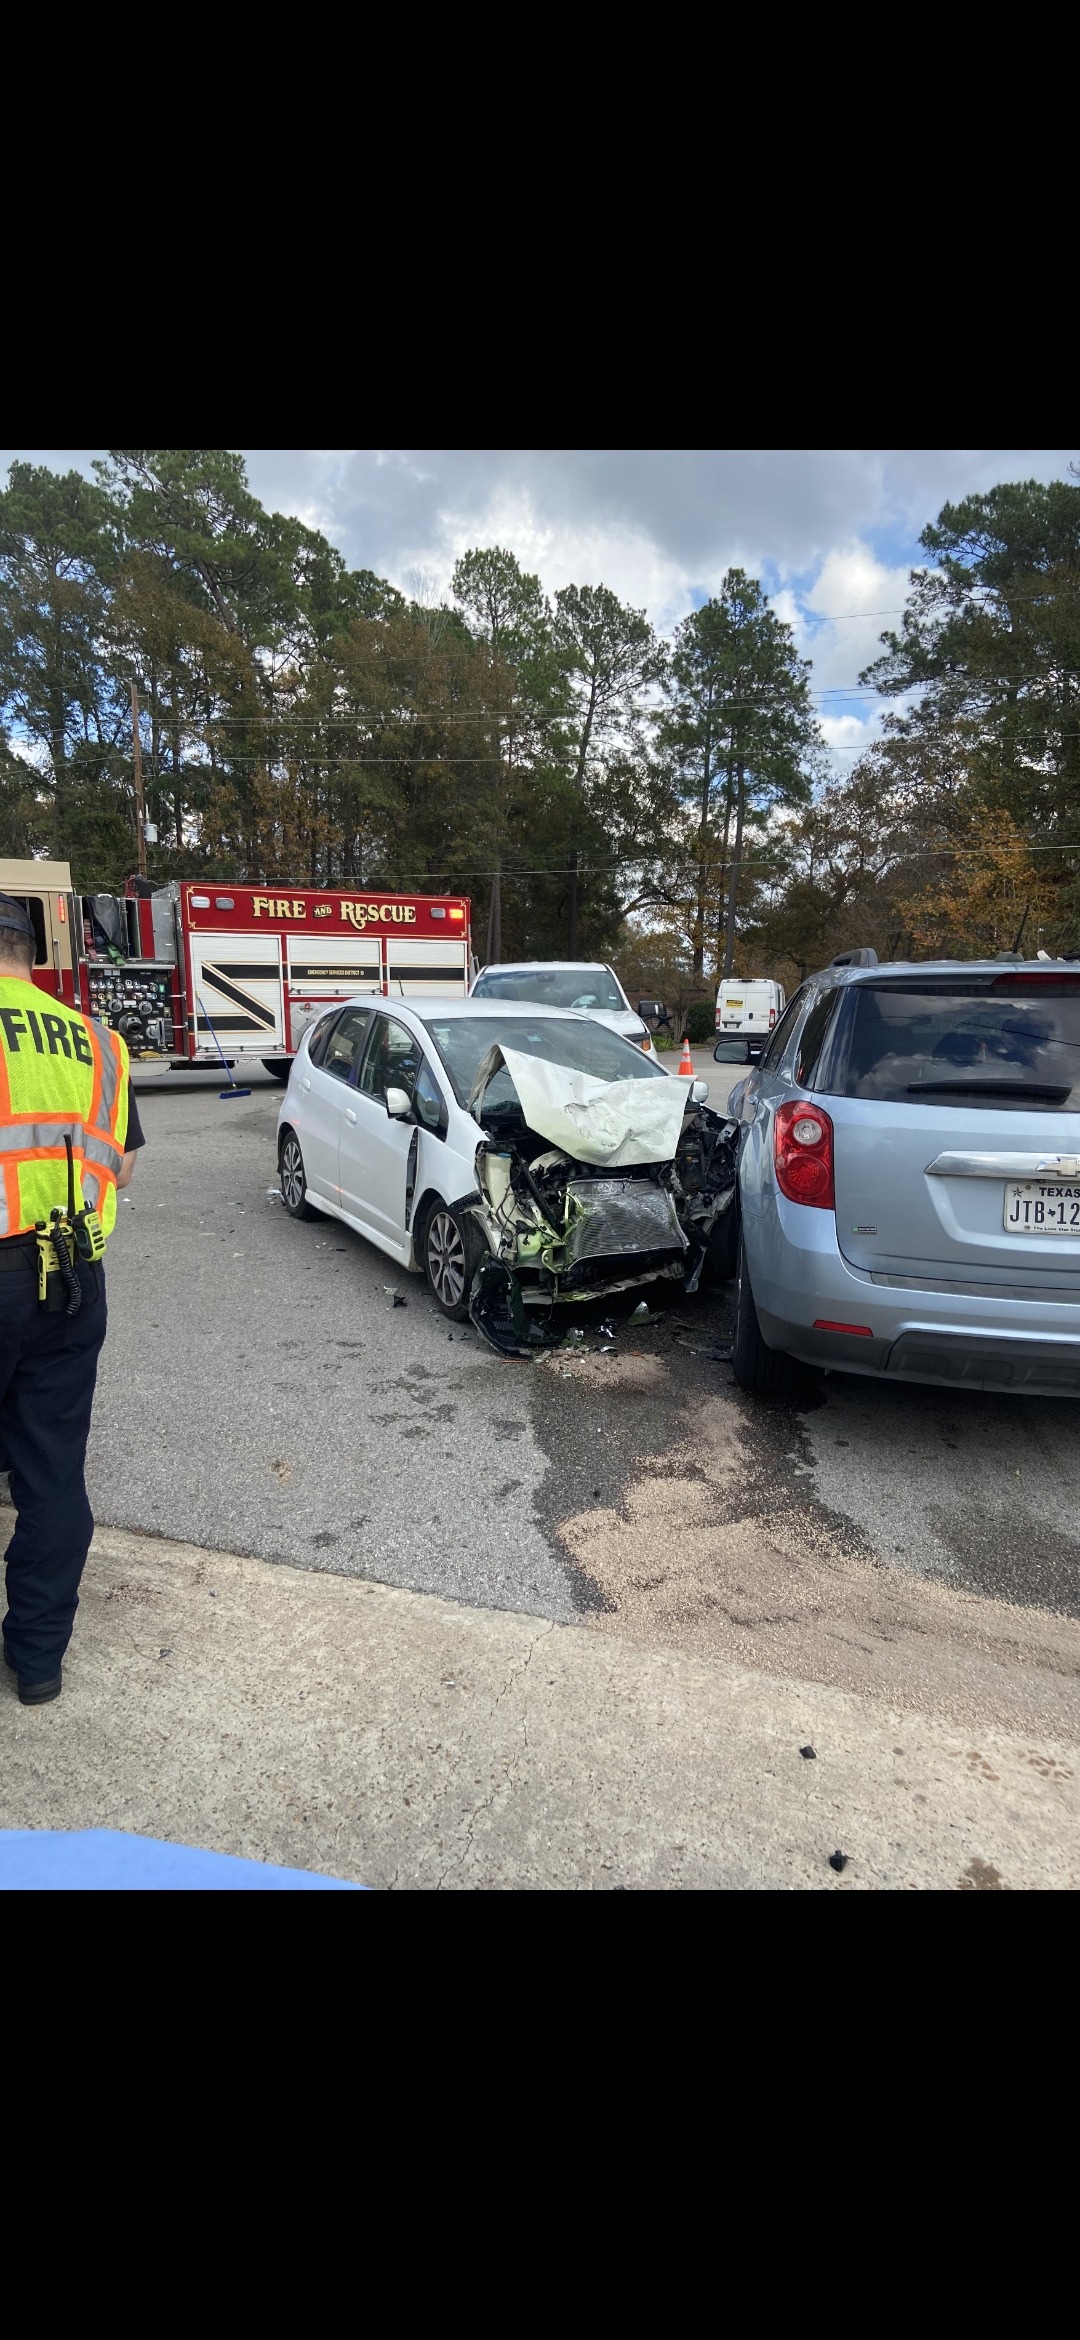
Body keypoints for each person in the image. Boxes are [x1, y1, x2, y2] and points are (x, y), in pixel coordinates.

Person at [0, 894, 145, 1704]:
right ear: (34, 954)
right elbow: (121, 1166)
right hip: (69, 1276)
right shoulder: (99, 1043)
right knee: (52, 1472)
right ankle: (38, 1662)